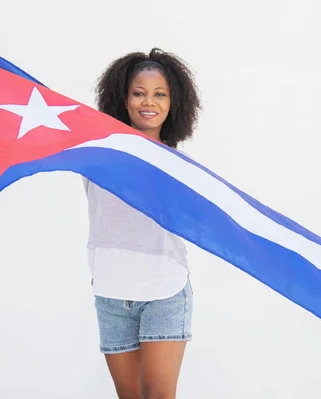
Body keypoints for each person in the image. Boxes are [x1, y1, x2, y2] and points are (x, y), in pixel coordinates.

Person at [83, 48, 202, 399]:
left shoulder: (181, 167)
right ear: (123, 98)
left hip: (163, 292)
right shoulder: (96, 153)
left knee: (158, 395)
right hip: (111, 290)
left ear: (173, 102)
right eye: (139, 92)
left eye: (159, 94)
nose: (148, 102)